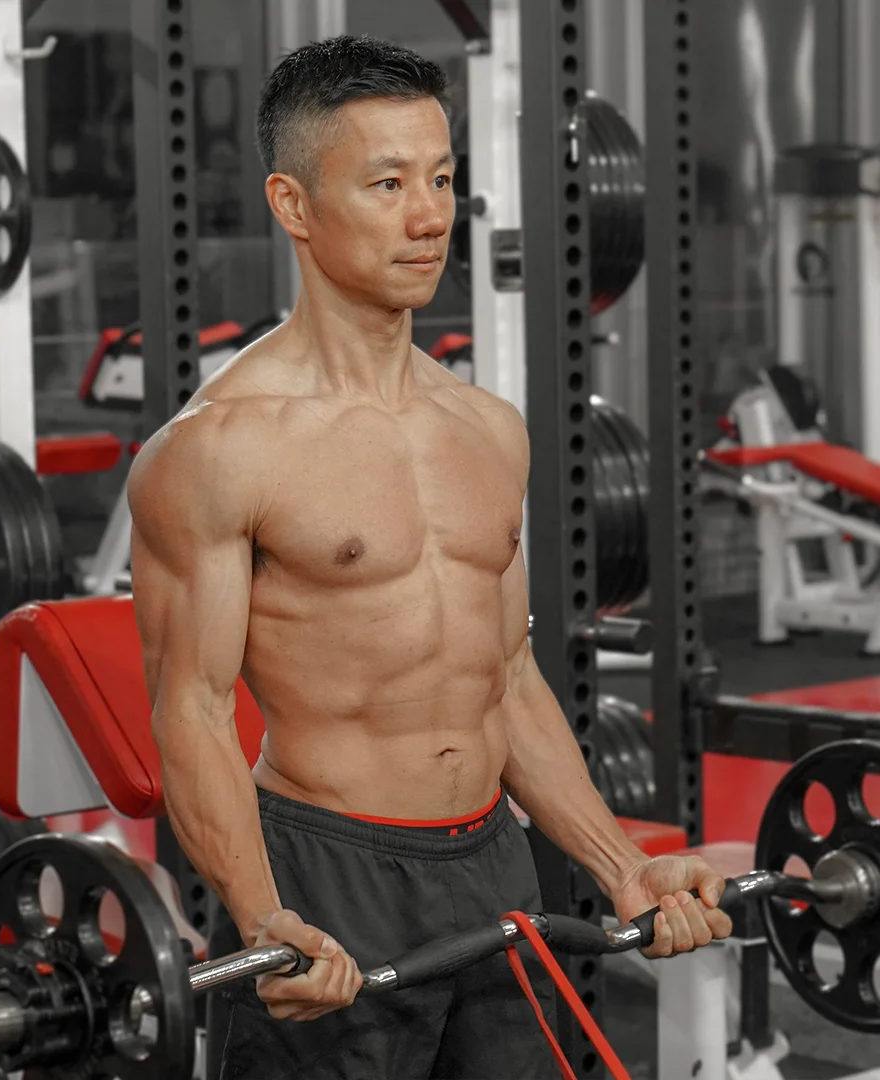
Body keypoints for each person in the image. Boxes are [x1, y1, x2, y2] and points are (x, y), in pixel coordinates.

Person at [128, 34, 733, 1080]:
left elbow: (505, 677)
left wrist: (618, 865)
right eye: (389, 182)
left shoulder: (489, 428)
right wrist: (264, 913)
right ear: (294, 205)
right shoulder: (223, 446)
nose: (429, 215)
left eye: (444, 177)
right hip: (328, 869)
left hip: (494, 861)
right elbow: (190, 708)